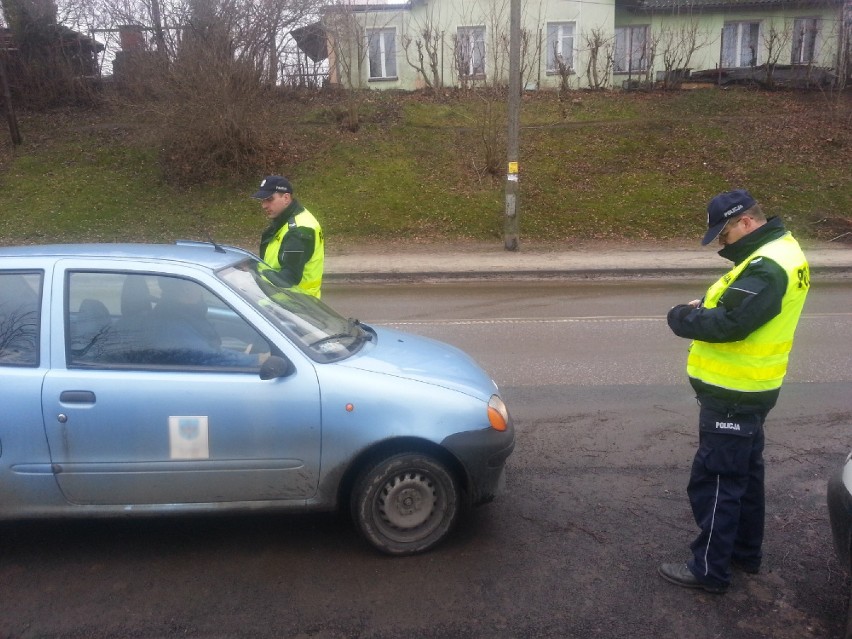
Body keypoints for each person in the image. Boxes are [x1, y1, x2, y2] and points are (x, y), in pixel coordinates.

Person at [659, 189, 810, 594]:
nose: (722, 246)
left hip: (735, 392)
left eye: (723, 236)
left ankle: (709, 570)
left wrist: (683, 317)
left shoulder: (767, 266)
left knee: (717, 481)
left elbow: (728, 325)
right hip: (752, 387)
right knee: (745, 475)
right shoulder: (781, 251)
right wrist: (710, 306)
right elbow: (740, 311)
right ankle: (744, 553)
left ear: (745, 222)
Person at [251, 175, 325, 299]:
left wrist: (255, 272)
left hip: (294, 306)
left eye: (269, 199)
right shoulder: (291, 217)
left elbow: (289, 277)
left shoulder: (298, 231)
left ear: (286, 198)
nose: (264, 205)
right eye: (262, 201)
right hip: (288, 302)